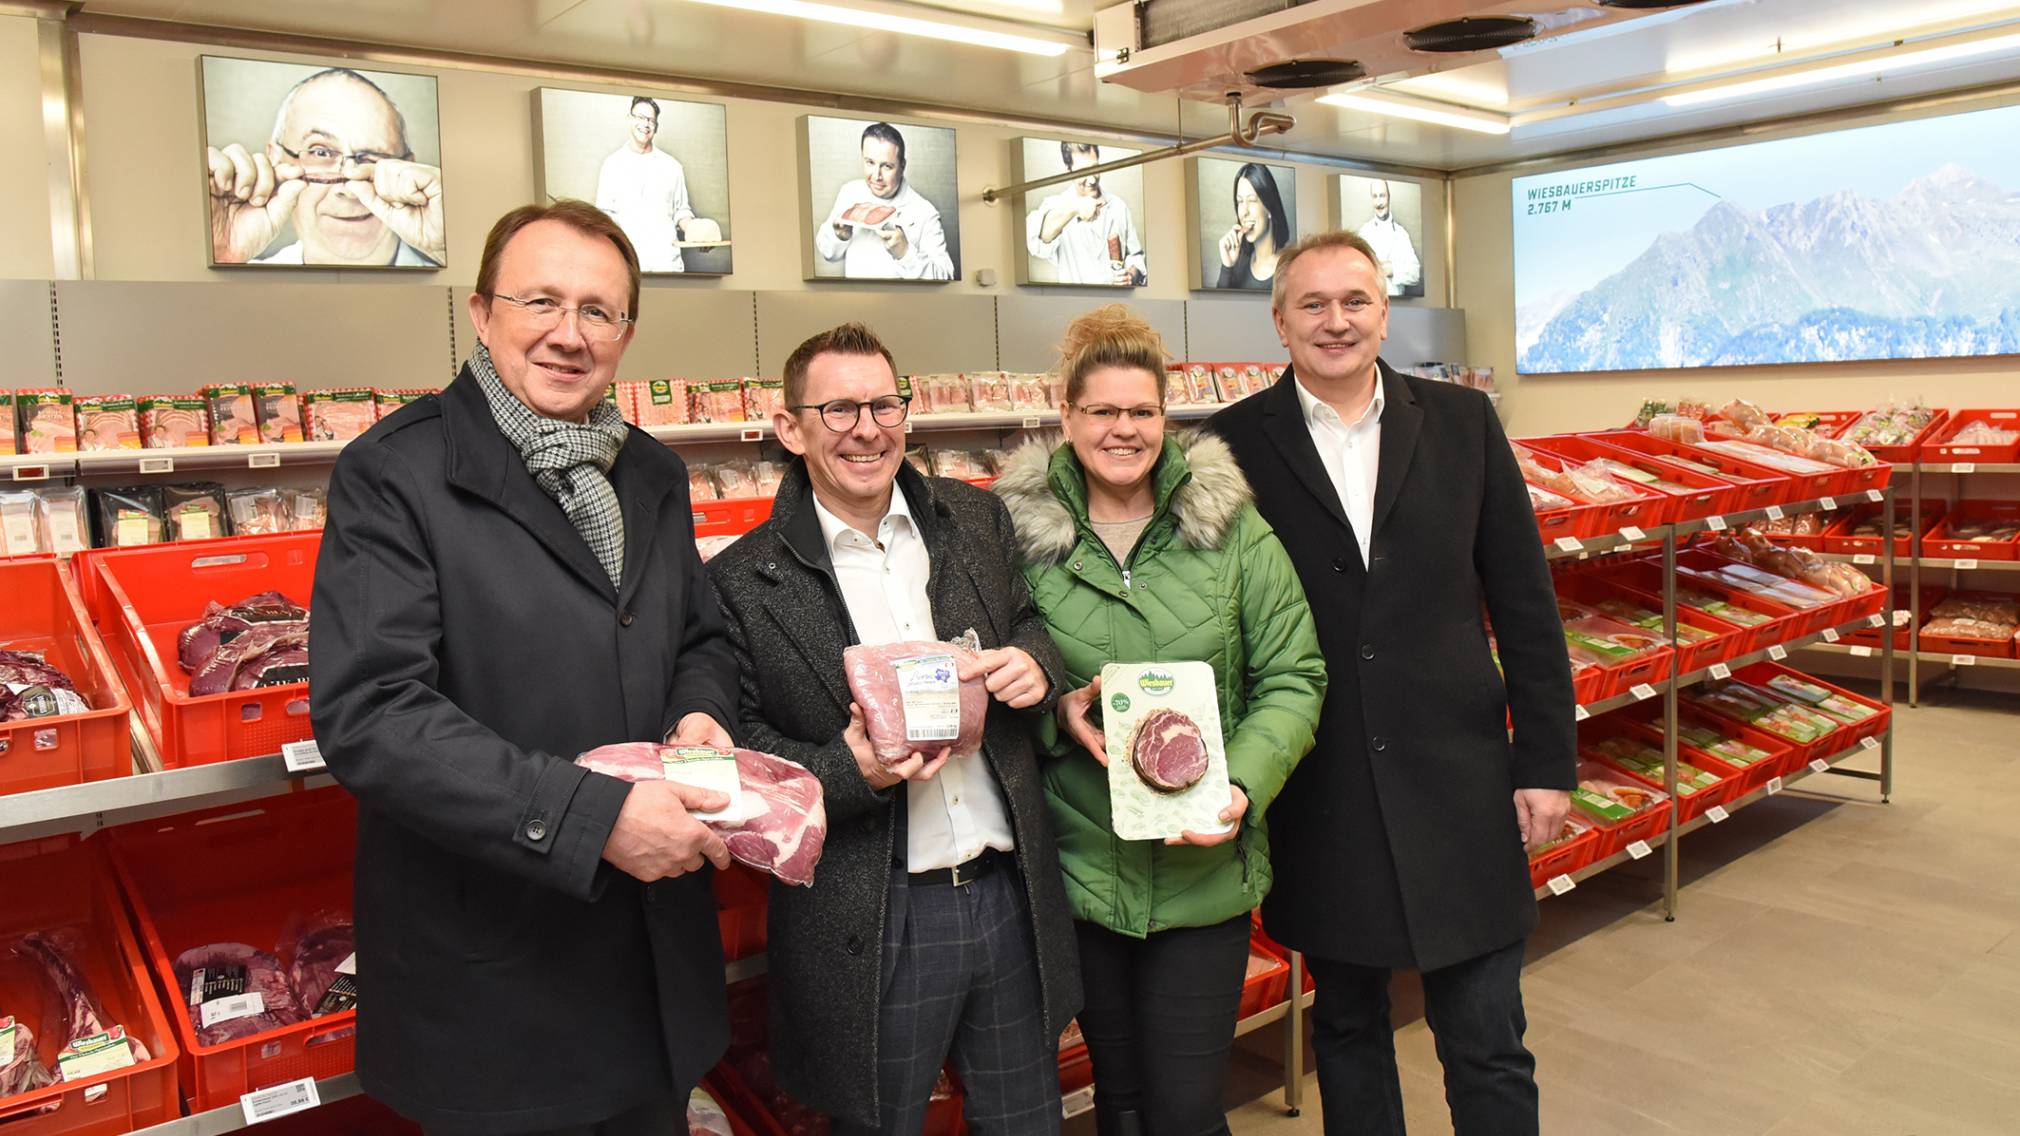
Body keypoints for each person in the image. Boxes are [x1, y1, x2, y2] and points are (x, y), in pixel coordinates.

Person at [309, 200, 739, 1134]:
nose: (568, 334)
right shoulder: (397, 474)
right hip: (499, 990)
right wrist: (596, 820)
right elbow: (372, 713)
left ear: (627, 333)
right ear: (479, 312)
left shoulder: (652, 475)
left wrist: (698, 715)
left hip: (652, 964)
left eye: (598, 311)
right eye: (540, 300)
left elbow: (698, 637)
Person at [1204, 231, 1575, 1136]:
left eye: (1356, 301)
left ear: (1385, 312)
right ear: (1280, 321)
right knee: (1346, 1026)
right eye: (1314, 305)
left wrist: (1547, 763)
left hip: (1461, 776)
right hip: (1321, 784)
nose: (1337, 322)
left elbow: (1525, 604)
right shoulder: (1228, 444)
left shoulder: (1462, 423)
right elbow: (1209, 616)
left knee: (1487, 1034)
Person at [710, 323, 1079, 1132]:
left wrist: (1033, 667)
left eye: (883, 404)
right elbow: (739, 755)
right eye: (838, 408)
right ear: (790, 428)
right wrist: (852, 772)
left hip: (1007, 892)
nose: (867, 429)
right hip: (872, 917)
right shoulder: (741, 580)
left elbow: (1028, 623)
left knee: (1027, 1120)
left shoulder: (976, 523)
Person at [992, 305, 1326, 1136]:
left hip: (1202, 878)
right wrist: (1051, 712)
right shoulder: (1009, 540)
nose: (1123, 430)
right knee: (1120, 1100)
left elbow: (1294, 675)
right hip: (1080, 870)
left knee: (1184, 1109)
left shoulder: (1233, 532)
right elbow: (995, 681)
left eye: (1141, 411)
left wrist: (1240, 787)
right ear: (1065, 415)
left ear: (1166, 418)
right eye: (1102, 411)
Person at [207, 66, 445, 267]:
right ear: (275, 161)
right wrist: (222, 253)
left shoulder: (451, 275)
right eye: (320, 152)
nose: (349, 191)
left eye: (372, 159)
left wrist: (449, 246)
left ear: (409, 169)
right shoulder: (230, 267)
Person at [813, 122, 955, 280]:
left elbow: (946, 276)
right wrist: (839, 236)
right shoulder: (850, 192)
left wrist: (905, 253)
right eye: (870, 162)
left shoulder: (925, 213)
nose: (876, 176)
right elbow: (828, 253)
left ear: (902, 165)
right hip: (855, 302)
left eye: (887, 166)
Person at [594, 95, 716, 273]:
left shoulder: (672, 166)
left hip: (667, 263)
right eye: (640, 117)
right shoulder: (612, 164)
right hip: (628, 266)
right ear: (630, 119)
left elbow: (681, 211)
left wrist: (698, 233)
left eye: (651, 120)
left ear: (656, 127)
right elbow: (604, 218)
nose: (645, 124)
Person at [1025, 142, 1147, 286]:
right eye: (1083, 172)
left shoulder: (1118, 206)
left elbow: (1135, 255)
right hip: (1075, 304)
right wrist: (1074, 208)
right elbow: (1036, 239)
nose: (1092, 179)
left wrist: (1130, 275)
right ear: (1068, 170)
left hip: (1116, 304)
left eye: (1096, 168)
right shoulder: (1056, 206)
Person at [1213, 163, 1289, 291]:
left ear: (1269, 208)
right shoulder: (1238, 264)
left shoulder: (1292, 266)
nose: (1244, 212)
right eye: (1240, 202)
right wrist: (1227, 266)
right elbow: (1217, 308)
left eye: (1252, 200)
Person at [1354, 180, 1422, 299]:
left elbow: (1415, 273)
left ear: (1388, 197)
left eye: (1382, 196)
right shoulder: (1364, 233)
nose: (1379, 202)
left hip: (1399, 308)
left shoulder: (1401, 234)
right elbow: (1355, 273)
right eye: (1375, 196)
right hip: (1371, 305)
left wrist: (1393, 270)